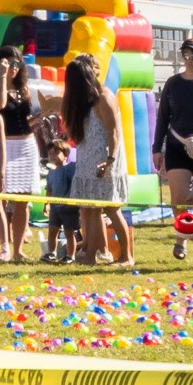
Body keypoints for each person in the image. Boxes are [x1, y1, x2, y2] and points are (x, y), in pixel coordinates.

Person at [153, 39, 193, 263]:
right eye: (185, 56)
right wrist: (156, 148)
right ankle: (182, 237)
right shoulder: (173, 83)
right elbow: (163, 118)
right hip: (176, 144)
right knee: (179, 198)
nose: (189, 61)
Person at [64, 59, 129, 265]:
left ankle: (127, 256)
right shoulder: (87, 101)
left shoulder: (104, 98)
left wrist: (108, 161)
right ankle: (91, 254)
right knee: (90, 209)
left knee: (111, 209)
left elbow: (114, 132)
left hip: (104, 161)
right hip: (87, 160)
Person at [0, 44, 40, 265]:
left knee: (22, 201)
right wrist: (1, 76)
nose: (13, 69)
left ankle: (18, 249)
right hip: (4, 146)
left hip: (26, 146)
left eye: (17, 64)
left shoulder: (25, 90)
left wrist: (41, 118)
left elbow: (27, 121)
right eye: (9, 63)